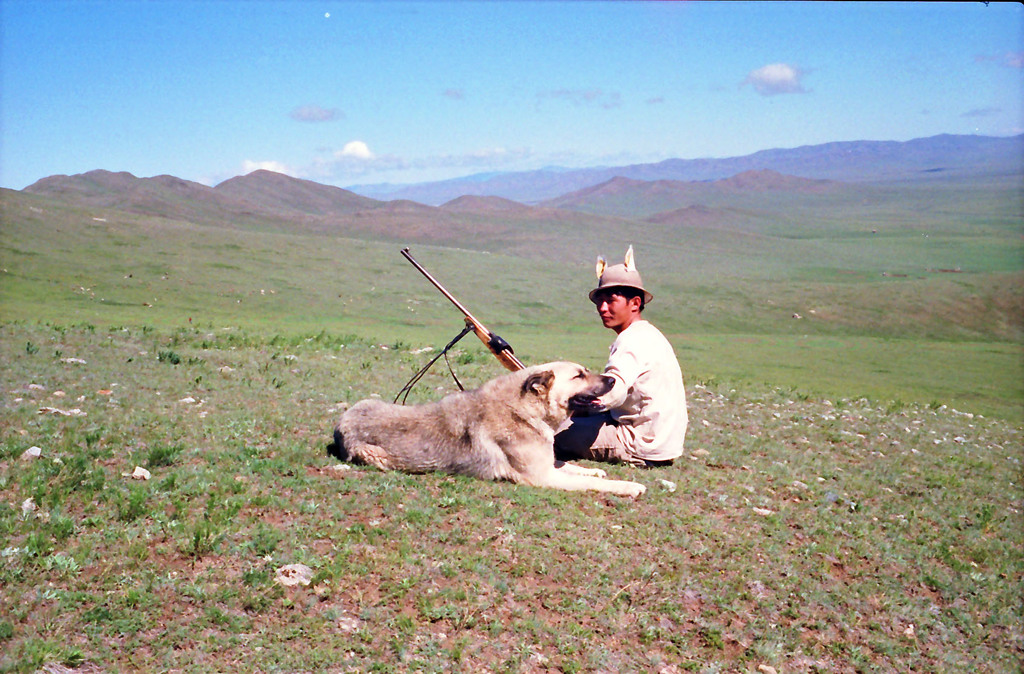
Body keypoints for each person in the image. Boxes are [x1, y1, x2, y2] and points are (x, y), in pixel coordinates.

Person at [554, 245, 688, 467]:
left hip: (641, 443)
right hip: (661, 441)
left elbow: (615, 387)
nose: (602, 308)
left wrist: (584, 401)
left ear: (635, 303)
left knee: (550, 436)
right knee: (575, 419)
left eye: (611, 300)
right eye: (599, 301)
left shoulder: (631, 341)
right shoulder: (648, 333)